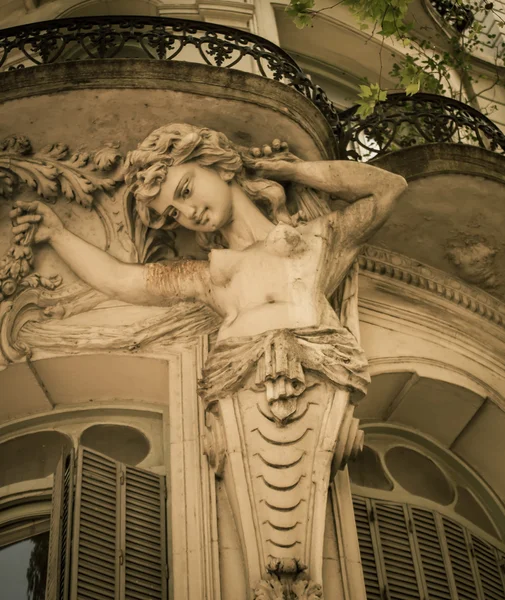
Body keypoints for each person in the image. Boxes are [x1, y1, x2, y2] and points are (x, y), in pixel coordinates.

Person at [10, 123, 407, 412]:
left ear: (220, 165)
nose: (188, 213)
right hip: (237, 386)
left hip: (316, 374)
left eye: (185, 190)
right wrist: (58, 235)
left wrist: (296, 170)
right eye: (174, 212)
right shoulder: (208, 275)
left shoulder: (317, 239)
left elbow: (389, 188)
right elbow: (121, 280)